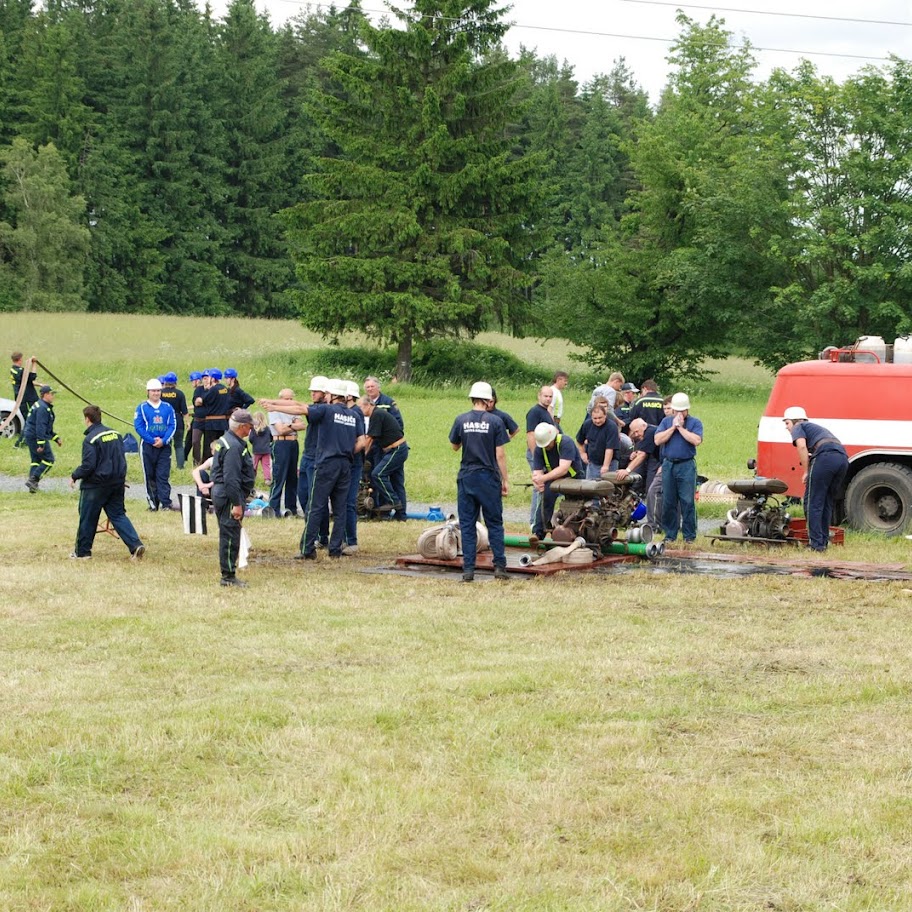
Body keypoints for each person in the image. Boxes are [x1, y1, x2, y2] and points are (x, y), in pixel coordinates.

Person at [449, 381, 510, 582]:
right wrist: (505, 479)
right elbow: (500, 455)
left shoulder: (461, 419)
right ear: (488, 400)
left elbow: (454, 446)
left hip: (467, 475)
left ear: (472, 398)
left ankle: (468, 570)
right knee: (494, 522)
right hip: (488, 476)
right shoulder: (495, 422)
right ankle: (499, 567)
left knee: (467, 524)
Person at [68, 405, 145, 561]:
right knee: (118, 515)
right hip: (116, 482)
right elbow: (121, 458)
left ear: (87, 419)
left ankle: (82, 553)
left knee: (88, 518)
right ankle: (135, 545)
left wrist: (75, 475)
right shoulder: (115, 434)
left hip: (96, 486)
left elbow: (88, 465)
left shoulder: (90, 439)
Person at [783, 406, 849, 552]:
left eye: (787, 423)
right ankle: (823, 541)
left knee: (812, 502)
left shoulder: (799, 426)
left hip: (825, 458)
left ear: (795, 420)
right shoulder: (816, 428)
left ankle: (816, 545)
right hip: (842, 459)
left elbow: (801, 447)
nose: (787, 427)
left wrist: (806, 471)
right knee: (826, 502)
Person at [210, 409, 256, 586]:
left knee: (228, 532)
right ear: (242, 427)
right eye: (250, 426)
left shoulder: (226, 440)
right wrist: (237, 503)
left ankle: (228, 573)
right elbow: (231, 478)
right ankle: (228, 576)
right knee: (230, 535)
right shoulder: (234, 446)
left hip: (225, 493)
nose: (251, 429)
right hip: (229, 495)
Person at [654, 392, 703, 544]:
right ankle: (670, 534)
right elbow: (657, 440)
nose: (680, 413)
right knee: (669, 501)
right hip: (669, 464)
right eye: (677, 411)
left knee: (687, 501)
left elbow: (696, 440)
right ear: (673, 410)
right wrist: (672, 429)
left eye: (683, 411)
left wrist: (681, 429)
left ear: (687, 410)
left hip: (686, 465)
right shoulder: (666, 422)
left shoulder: (695, 423)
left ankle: (689, 535)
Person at [531, 421, 585, 539]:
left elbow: (564, 469)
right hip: (554, 479)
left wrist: (543, 478)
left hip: (574, 478)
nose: (546, 446)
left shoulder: (566, 442)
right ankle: (539, 532)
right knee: (545, 498)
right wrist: (538, 483)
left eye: (548, 443)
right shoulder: (540, 449)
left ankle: (578, 533)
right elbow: (537, 472)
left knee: (577, 506)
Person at [360, 395, 409, 520]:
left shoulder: (376, 415)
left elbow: (369, 439)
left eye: (360, 408)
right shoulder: (377, 414)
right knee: (397, 482)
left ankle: (393, 501)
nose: (359, 411)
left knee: (378, 474)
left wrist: (361, 456)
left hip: (396, 450)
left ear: (368, 405)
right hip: (396, 449)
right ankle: (401, 516)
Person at [134, 378, 177, 511]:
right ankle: (153, 503)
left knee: (163, 475)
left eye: (158, 391)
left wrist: (163, 441)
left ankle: (165, 503)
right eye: (153, 391)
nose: (156, 393)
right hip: (147, 446)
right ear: (148, 392)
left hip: (164, 447)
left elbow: (172, 425)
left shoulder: (168, 407)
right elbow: (139, 427)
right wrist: (152, 440)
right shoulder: (141, 407)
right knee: (149, 475)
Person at [263, 388, 303, 517]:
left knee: (292, 477)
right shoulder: (274, 409)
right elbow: (280, 429)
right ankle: (274, 509)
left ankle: (291, 508)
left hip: (293, 443)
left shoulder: (294, 410)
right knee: (279, 476)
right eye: (287, 399)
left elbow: (302, 425)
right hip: (280, 443)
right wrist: (292, 425)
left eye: (291, 399)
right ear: (280, 399)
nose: (290, 401)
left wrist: (288, 426)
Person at [617, 417, 663, 525]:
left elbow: (642, 456)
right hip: (658, 460)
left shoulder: (650, 432)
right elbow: (642, 451)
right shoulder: (646, 432)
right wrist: (636, 452)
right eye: (634, 432)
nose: (636, 434)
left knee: (653, 491)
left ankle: (654, 524)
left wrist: (627, 470)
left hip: (662, 462)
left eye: (637, 431)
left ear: (644, 426)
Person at [525, 386, 554, 528]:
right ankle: (534, 522)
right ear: (539, 396)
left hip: (546, 455)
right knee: (539, 486)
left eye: (550, 396)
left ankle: (543, 520)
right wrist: (536, 455)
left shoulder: (546, 412)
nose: (548, 399)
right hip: (537, 454)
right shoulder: (534, 412)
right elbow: (530, 434)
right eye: (545, 396)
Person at [24, 385, 62, 493]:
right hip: (36, 436)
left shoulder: (41, 405)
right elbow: (40, 427)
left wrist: (55, 437)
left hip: (31, 435)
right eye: (51, 394)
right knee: (49, 460)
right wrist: (41, 444)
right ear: (45, 395)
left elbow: (46, 427)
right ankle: (34, 479)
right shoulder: (42, 408)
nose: (53, 396)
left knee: (36, 460)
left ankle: (33, 487)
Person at [575, 402, 619, 479]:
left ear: (605, 416)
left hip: (610, 463)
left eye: (600, 418)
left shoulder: (612, 427)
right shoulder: (587, 424)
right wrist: (582, 453)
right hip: (593, 463)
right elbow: (579, 440)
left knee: (608, 488)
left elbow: (610, 448)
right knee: (590, 487)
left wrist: (605, 466)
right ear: (591, 417)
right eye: (595, 418)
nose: (597, 421)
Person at [10, 351, 39, 448]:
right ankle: (20, 443)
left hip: (20, 399)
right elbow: (32, 377)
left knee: (30, 420)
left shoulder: (13, 370)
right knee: (30, 421)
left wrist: (40, 385)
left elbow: (24, 381)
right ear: (20, 359)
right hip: (27, 398)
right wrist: (34, 364)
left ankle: (29, 440)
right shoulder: (21, 371)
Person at [160, 372, 188, 470]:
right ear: (175, 382)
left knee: (166, 444)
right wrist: (188, 422)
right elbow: (184, 411)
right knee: (179, 445)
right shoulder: (180, 394)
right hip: (178, 421)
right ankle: (180, 466)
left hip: (164, 421)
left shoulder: (160, 393)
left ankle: (165, 465)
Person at [198, 368, 229, 454]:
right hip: (222, 422)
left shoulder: (213, 389)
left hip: (212, 422)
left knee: (209, 445)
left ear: (213, 378)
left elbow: (202, 400)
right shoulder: (225, 389)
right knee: (220, 444)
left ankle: (208, 463)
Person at [249, 412, 273, 486]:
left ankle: (251, 478)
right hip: (266, 450)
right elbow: (271, 438)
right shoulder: (268, 428)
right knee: (266, 465)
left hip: (256, 450)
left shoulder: (253, 429)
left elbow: (251, 439)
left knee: (254, 465)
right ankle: (267, 479)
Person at [188, 370, 207, 465]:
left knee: (207, 443)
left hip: (207, 420)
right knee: (195, 441)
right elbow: (196, 403)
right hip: (198, 420)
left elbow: (200, 402)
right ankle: (196, 462)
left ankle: (206, 462)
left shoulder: (210, 389)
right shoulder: (197, 391)